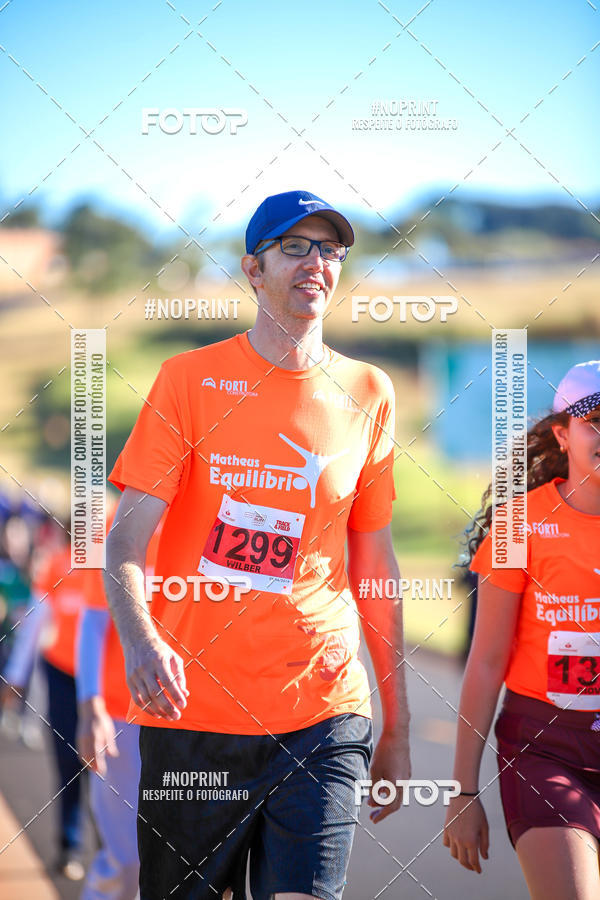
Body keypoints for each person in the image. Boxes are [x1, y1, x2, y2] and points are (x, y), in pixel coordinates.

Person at [104, 189, 411, 900]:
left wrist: (396, 723)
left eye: (329, 250)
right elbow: (124, 539)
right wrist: (141, 641)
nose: (316, 263)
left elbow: (375, 564)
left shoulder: (370, 391)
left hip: (322, 708)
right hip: (195, 717)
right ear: (253, 268)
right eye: (294, 247)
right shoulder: (189, 382)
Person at [443, 360, 600, 899]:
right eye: (594, 422)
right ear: (562, 433)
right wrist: (463, 790)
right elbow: (486, 664)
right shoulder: (518, 526)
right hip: (546, 748)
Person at [1, 531, 88, 881]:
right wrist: (16, 675)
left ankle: (114, 854)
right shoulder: (56, 563)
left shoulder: (119, 560)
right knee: (68, 761)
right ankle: (71, 847)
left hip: (111, 686)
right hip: (62, 675)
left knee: (110, 770)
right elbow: (36, 621)